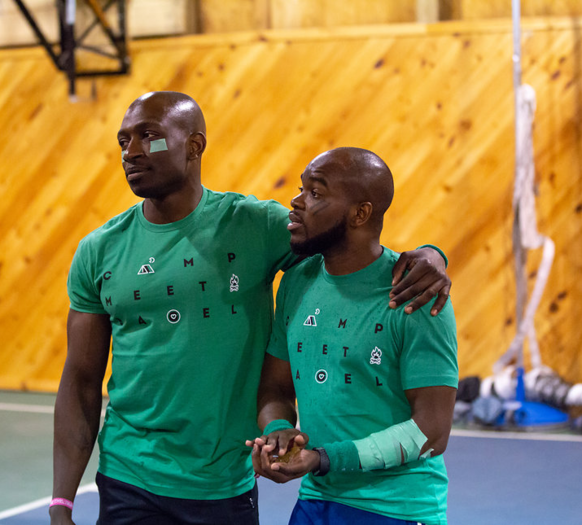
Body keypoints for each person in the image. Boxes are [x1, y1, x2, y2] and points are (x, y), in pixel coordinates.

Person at [50, 92, 452, 525]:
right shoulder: (99, 250)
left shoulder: (256, 226)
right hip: (131, 477)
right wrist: (62, 503)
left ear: (194, 146)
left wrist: (432, 255)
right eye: (123, 140)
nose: (131, 151)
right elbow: (81, 381)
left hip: (225, 483)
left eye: (149, 137)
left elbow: (350, 244)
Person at [247, 147, 458, 525]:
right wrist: (278, 432)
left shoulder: (417, 294)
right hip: (316, 502)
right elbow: (275, 389)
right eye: (300, 188)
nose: (295, 202)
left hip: (398, 510)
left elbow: (431, 432)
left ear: (360, 213)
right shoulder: (297, 280)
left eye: (315, 193)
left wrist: (325, 458)